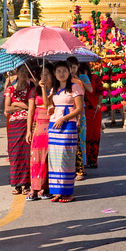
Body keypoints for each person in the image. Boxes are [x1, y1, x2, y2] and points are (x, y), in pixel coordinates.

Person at [46, 62, 84, 202]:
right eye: (58, 71)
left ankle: (67, 192)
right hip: (54, 124)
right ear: (55, 74)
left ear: (69, 73)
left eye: (64, 71)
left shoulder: (75, 87)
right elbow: (48, 105)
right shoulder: (54, 89)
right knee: (55, 159)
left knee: (66, 157)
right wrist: (51, 108)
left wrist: (64, 118)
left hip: (68, 124)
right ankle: (57, 191)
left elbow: (79, 109)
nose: (61, 73)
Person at [3, 67, 32, 193]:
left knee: (26, 154)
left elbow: (30, 107)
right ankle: (16, 184)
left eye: (26, 72)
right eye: (22, 72)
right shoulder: (10, 89)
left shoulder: (31, 89)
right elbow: (7, 109)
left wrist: (16, 104)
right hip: (14, 125)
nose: (24, 74)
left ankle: (27, 184)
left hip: (27, 124)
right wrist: (22, 107)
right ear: (17, 74)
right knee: (15, 153)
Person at [27, 62, 51, 200]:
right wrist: (28, 130)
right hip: (38, 128)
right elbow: (30, 111)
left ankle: (46, 187)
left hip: (51, 126)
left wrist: (43, 89)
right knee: (36, 158)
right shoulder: (33, 91)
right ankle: (35, 188)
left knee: (48, 158)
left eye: (47, 74)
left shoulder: (55, 90)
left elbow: (48, 105)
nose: (45, 77)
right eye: (42, 74)